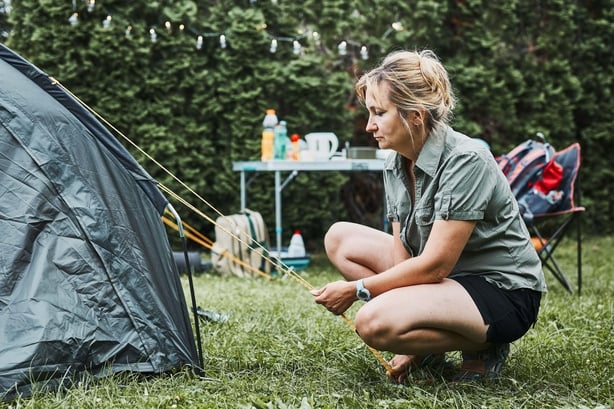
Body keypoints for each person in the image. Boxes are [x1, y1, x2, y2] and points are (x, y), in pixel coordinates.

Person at [311, 50, 546, 383]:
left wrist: (357, 289)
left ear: (415, 116)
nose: (369, 125)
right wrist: (405, 326)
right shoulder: (394, 161)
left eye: (379, 113)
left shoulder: (467, 159)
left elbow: (436, 265)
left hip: (500, 290)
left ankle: (486, 346)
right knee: (340, 238)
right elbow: (401, 255)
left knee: (372, 322)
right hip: (446, 282)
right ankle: (427, 345)